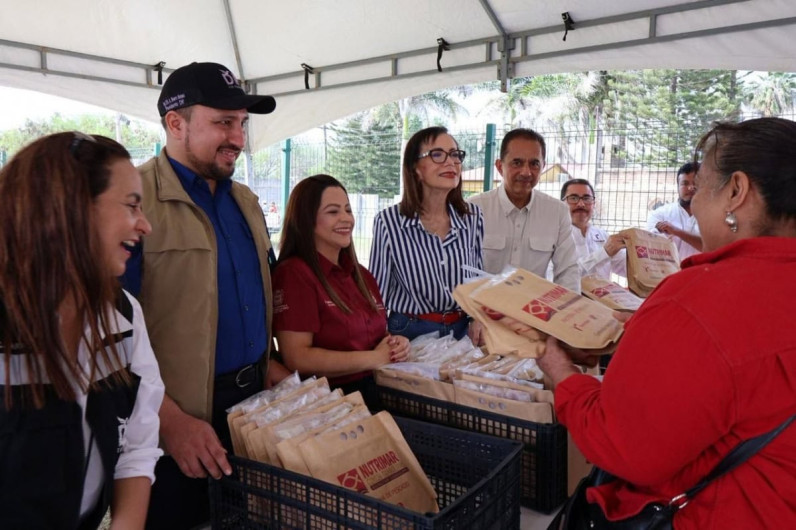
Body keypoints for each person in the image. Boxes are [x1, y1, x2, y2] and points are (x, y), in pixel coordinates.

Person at [538, 117, 796, 528]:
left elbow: (623, 446)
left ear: (736, 191)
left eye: (701, 187)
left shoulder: (699, 297)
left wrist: (562, 374)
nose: (692, 203)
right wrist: (637, 334)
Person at [120, 61, 290, 529]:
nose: (238, 138)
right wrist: (168, 421)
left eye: (242, 124)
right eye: (223, 122)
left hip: (252, 410)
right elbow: (107, 339)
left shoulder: (247, 203)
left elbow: (253, 297)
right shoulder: (132, 201)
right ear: (175, 123)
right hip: (173, 425)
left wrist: (267, 363)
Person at [0, 132, 164, 529]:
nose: (145, 226)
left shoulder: (123, 315)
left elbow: (137, 447)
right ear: (69, 208)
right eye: (131, 206)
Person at [273, 174, 410, 408]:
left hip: (373, 392)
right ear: (307, 219)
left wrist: (396, 343)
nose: (346, 218)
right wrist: (374, 359)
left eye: (348, 210)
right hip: (325, 404)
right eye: (333, 211)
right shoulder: (294, 274)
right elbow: (298, 358)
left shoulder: (362, 275)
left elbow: (374, 336)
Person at [369, 126, 484, 342]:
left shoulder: (473, 217)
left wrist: (479, 317)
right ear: (416, 168)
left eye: (455, 154)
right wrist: (381, 340)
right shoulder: (389, 221)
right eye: (437, 154)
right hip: (409, 332)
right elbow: (378, 293)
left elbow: (477, 277)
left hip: (462, 331)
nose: (451, 162)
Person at [468, 128, 579, 292]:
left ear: (543, 167)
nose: (526, 172)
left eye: (534, 164)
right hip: (481, 314)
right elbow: (460, 270)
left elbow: (568, 270)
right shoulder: (473, 209)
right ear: (500, 166)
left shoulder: (557, 212)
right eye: (517, 163)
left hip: (534, 314)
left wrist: (568, 313)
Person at [560, 178, 626, 281]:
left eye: (587, 198)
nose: (581, 204)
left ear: (594, 204)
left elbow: (626, 267)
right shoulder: (554, 237)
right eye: (573, 198)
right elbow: (561, 277)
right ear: (562, 204)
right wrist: (603, 254)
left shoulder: (602, 236)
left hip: (602, 296)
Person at [646, 162, 703, 260]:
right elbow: (647, 246)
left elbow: (712, 247)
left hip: (701, 274)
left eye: (695, 183)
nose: (690, 188)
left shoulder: (714, 217)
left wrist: (675, 231)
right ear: (677, 186)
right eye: (685, 183)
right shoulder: (660, 215)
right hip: (667, 274)